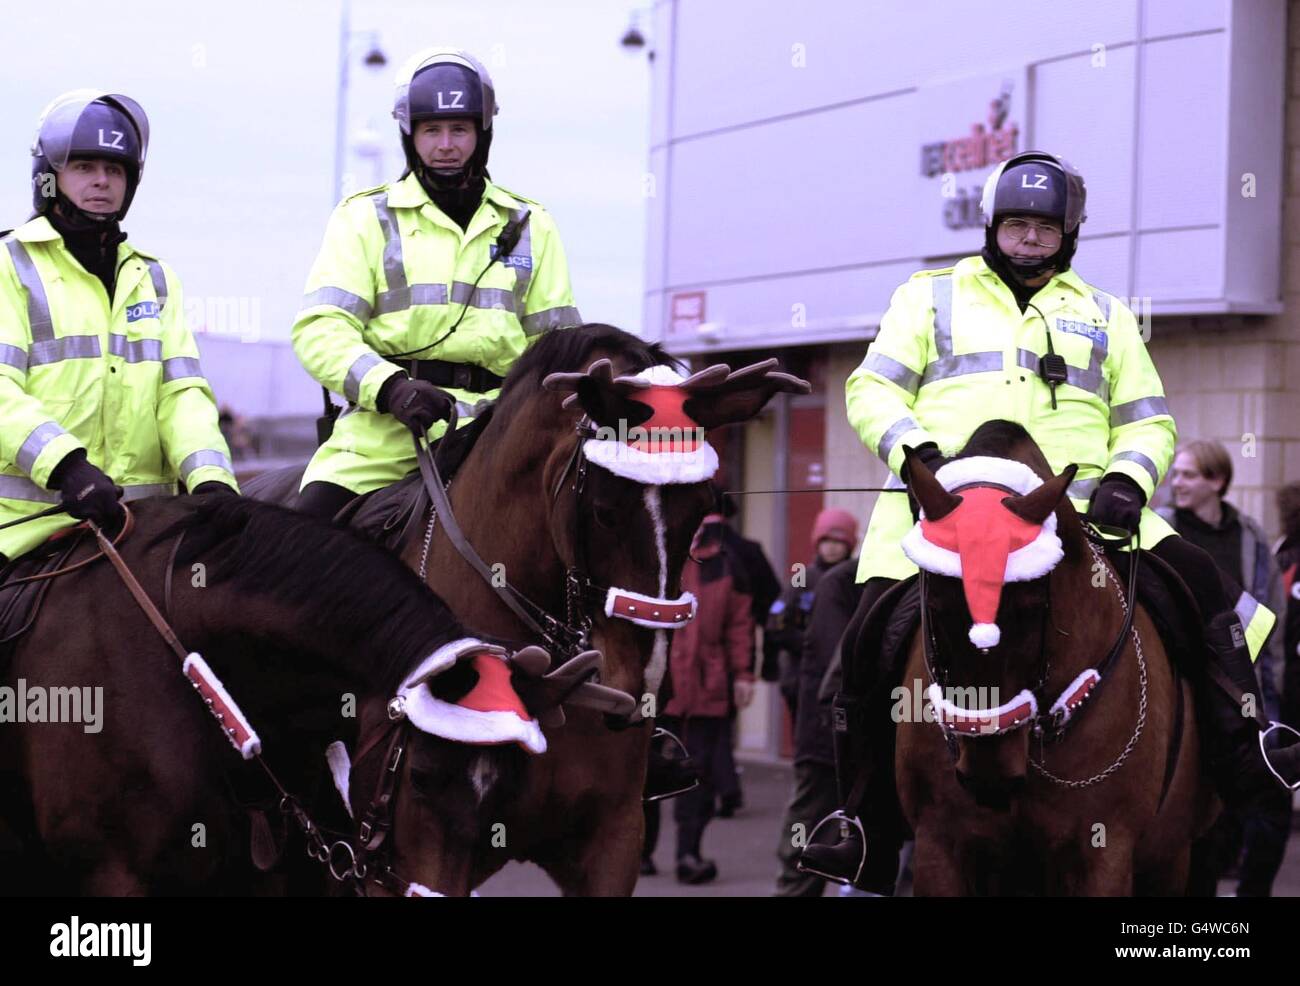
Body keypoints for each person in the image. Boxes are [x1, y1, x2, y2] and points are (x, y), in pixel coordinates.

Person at [799, 149, 1300, 892]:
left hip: (1081, 517)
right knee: (864, 639)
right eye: (1015, 225)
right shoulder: (927, 295)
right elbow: (872, 388)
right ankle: (855, 821)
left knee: (1205, 589)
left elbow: (1149, 419)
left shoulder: (1105, 313)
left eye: (1043, 227)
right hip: (943, 514)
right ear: (992, 227)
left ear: (1067, 234)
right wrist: (916, 455)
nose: (1028, 239)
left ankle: (1245, 751)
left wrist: (1130, 477)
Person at [292, 48, 581, 519]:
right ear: (410, 135)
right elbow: (320, 329)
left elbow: (559, 347)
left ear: (482, 133)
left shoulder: (533, 224)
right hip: (382, 437)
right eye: (432, 130)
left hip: (501, 434)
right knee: (299, 553)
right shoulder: (363, 217)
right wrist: (390, 388)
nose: (446, 144)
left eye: (460, 130)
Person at [0, 90, 237, 569]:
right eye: (84, 167)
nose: (102, 182)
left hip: (145, 529)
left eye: (115, 170)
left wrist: (211, 480)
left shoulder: (155, 278)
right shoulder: (9, 264)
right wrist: (67, 466)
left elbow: (182, 392)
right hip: (27, 533)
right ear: (49, 178)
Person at [1160, 440, 1291, 896]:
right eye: (1175, 474)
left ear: (1217, 481)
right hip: (1186, 688)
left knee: (1269, 802)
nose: (1176, 483)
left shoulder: (1250, 535)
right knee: (1203, 813)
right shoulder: (1163, 531)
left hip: (1248, 686)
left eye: (1188, 475)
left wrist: (1268, 690)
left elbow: (1270, 615)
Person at [658, 515, 755, 884]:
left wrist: (744, 675)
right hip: (658, 688)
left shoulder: (724, 563)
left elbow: (739, 625)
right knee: (643, 772)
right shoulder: (658, 553)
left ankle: (688, 854)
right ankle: (642, 853)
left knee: (698, 777)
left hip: (707, 688)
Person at [773, 551, 862, 897]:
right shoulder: (829, 582)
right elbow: (780, 628)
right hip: (824, 729)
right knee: (808, 828)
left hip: (840, 726)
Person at [765, 507, 859, 719]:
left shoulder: (855, 581)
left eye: (838, 542)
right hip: (800, 677)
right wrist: (809, 644)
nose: (832, 548)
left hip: (842, 675)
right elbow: (776, 622)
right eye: (826, 541)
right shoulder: (803, 578)